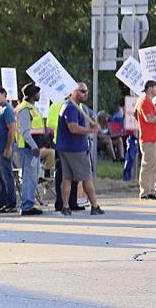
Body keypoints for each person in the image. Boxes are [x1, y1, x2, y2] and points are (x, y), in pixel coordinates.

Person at [56, 83, 105, 216]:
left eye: (87, 91)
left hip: (66, 147)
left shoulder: (78, 107)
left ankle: (65, 207)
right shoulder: (71, 107)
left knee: (67, 178)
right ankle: (95, 206)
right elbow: (73, 128)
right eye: (82, 91)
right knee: (86, 177)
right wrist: (91, 130)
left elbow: (91, 114)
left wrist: (94, 119)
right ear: (73, 91)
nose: (85, 94)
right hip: (75, 149)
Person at [16, 83, 45, 215]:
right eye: (38, 93)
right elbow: (26, 132)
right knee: (29, 178)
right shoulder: (25, 109)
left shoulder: (31, 107)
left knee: (32, 177)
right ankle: (27, 206)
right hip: (29, 149)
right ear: (33, 95)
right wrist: (34, 147)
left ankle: (29, 204)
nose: (39, 95)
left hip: (33, 148)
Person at [136, 80, 156, 199]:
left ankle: (151, 190)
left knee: (153, 167)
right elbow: (149, 119)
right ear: (150, 89)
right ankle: (144, 192)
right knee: (147, 166)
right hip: (148, 140)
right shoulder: (144, 102)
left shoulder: (150, 103)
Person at [0, 86, 17, 213]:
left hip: (4, 148)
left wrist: (9, 147)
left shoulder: (7, 109)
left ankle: (11, 204)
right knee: (0, 178)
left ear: (4, 94)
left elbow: (12, 129)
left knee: (7, 177)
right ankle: (3, 202)